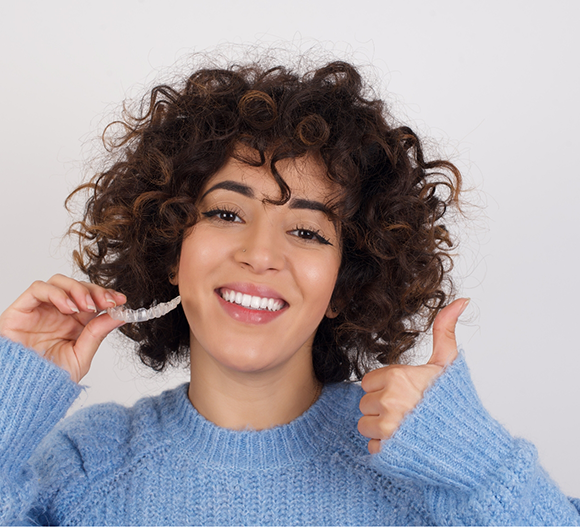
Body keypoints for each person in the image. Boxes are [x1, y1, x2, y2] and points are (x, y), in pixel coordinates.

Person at [0, 57, 578, 526]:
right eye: (226, 213)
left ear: (344, 288)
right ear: (172, 250)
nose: (261, 253)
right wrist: (8, 402)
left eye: (306, 231)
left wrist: (482, 466)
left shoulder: (430, 468)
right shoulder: (84, 465)